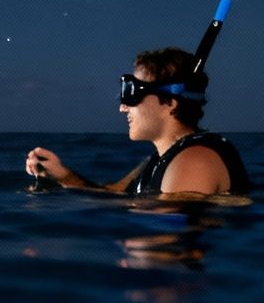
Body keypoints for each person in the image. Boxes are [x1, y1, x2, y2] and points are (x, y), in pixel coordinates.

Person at [23, 47, 249, 197]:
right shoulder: (161, 159)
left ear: (170, 102)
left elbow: (170, 240)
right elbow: (115, 195)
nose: (122, 107)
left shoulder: (194, 161)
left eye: (132, 94)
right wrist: (62, 176)